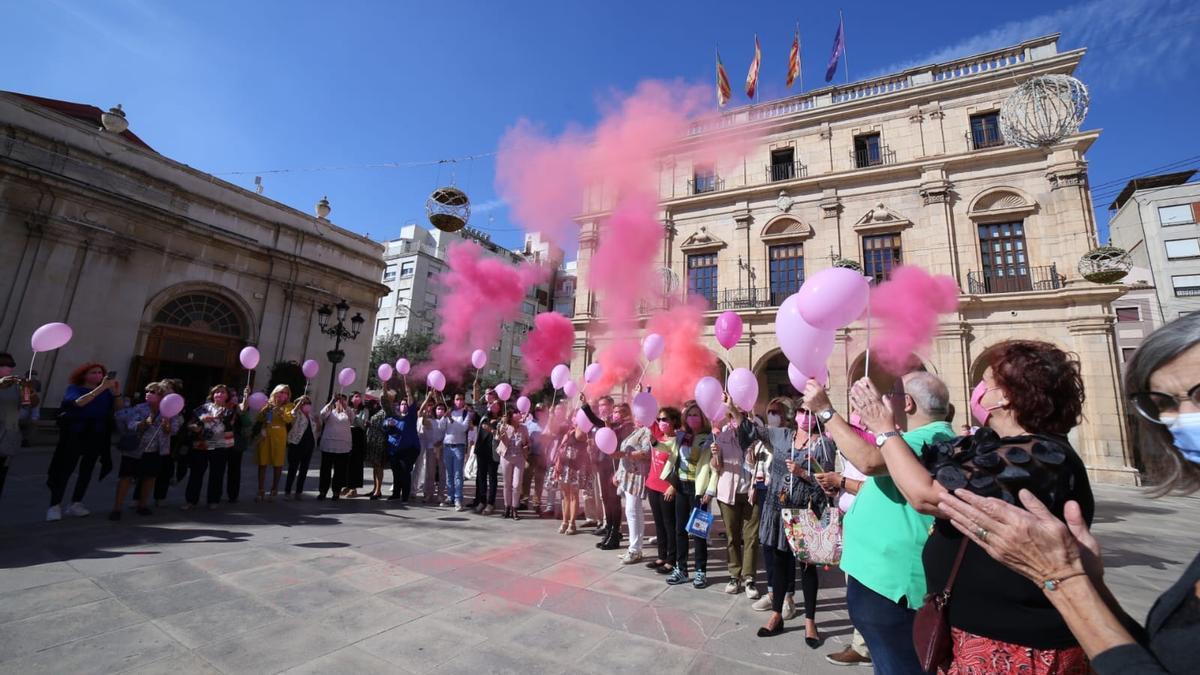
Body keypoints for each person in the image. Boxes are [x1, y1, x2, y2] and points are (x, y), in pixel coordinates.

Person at [935, 314, 1200, 674]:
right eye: (1163, 402)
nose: (1181, 418)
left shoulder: (1041, 452)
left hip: (1017, 650)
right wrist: (1089, 583)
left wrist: (1063, 579)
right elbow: (1162, 658)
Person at [841, 340, 1096, 673]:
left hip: (1015, 643)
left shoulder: (1037, 455)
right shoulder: (1007, 448)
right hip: (986, 632)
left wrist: (884, 429)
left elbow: (928, 496)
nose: (978, 390)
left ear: (1005, 396)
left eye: (986, 383)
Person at [803, 372, 955, 672]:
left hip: (892, 590)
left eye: (892, 393)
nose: (885, 400)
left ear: (908, 404)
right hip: (885, 586)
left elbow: (869, 460)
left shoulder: (925, 438)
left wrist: (825, 410)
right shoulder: (927, 437)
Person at [744, 396, 833, 646]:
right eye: (802, 410)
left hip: (805, 513)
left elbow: (828, 486)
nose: (805, 415)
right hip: (777, 509)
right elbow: (755, 431)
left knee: (806, 569)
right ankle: (776, 615)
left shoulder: (823, 446)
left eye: (810, 411)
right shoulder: (782, 435)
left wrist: (803, 473)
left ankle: (810, 622)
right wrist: (737, 409)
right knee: (780, 564)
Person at [46, 362, 120, 520]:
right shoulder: (74, 388)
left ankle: (76, 503)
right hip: (76, 432)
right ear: (84, 375)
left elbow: (118, 408)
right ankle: (55, 505)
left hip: (96, 433)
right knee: (65, 468)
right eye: (93, 372)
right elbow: (78, 403)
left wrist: (115, 393)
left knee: (87, 470)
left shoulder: (106, 392)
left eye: (100, 373)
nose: (98, 375)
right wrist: (100, 388)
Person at [712, 394, 767, 598]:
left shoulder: (754, 437)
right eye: (732, 417)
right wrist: (715, 456)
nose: (735, 420)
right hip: (728, 494)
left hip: (751, 492)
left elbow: (760, 465)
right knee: (732, 537)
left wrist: (753, 462)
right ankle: (734, 575)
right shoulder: (722, 438)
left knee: (751, 537)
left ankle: (749, 578)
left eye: (739, 416)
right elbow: (716, 468)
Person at [658, 402, 717, 588]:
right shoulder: (681, 436)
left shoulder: (709, 438)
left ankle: (701, 571)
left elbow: (714, 469)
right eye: (689, 415)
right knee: (680, 530)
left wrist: (709, 491)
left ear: (703, 418)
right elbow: (667, 448)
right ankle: (681, 569)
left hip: (698, 490)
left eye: (696, 415)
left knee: (699, 532)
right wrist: (652, 441)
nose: (692, 418)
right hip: (681, 487)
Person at [110, 381, 181, 519]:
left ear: (162, 396)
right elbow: (131, 425)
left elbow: (174, 430)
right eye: (147, 391)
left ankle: (142, 505)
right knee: (126, 477)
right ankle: (117, 508)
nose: (148, 394)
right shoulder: (139, 408)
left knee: (149, 477)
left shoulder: (170, 411)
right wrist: (146, 422)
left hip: (155, 450)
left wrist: (167, 424)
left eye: (153, 392)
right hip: (135, 449)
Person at [582, 394, 632, 550]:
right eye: (615, 411)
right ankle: (609, 530)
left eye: (620, 411)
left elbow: (616, 441)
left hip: (615, 468)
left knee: (614, 502)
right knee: (607, 501)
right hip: (603, 466)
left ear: (626, 414)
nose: (616, 414)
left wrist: (609, 426)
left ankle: (615, 534)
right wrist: (585, 407)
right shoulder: (611, 424)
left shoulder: (626, 427)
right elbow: (596, 422)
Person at [183, 384, 238, 510]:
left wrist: (212, 418)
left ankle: (213, 500)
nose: (219, 394)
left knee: (217, 473)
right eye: (217, 392)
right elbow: (190, 424)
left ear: (227, 396)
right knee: (196, 472)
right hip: (202, 442)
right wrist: (195, 427)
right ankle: (191, 500)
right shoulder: (203, 408)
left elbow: (230, 423)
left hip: (220, 444)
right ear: (212, 395)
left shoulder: (229, 410)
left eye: (223, 392)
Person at [614, 402, 652, 564]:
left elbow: (646, 453)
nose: (636, 418)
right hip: (628, 476)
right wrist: (618, 472)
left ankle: (635, 550)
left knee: (633, 511)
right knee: (632, 512)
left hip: (637, 476)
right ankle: (634, 547)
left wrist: (624, 454)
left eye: (639, 415)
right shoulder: (637, 431)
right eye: (635, 415)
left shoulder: (647, 431)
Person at [645, 406, 680, 576]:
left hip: (667, 488)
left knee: (669, 525)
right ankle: (661, 556)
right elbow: (647, 414)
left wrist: (673, 487)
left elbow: (680, 467)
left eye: (665, 419)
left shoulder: (679, 440)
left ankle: (671, 560)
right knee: (658, 524)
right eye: (659, 419)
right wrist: (641, 395)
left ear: (674, 421)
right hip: (652, 485)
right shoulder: (658, 435)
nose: (661, 423)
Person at [255, 384, 294, 502]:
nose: (283, 395)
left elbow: (289, 419)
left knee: (278, 463)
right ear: (275, 392)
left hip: (279, 435)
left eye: (286, 393)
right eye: (281, 392)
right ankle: (260, 490)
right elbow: (259, 418)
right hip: (265, 434)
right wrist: (267, 409)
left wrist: (280, 412)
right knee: (262, 463)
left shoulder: (289, 405)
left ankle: (274, 489)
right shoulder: (268, 404)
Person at [551, 423, 589, 534]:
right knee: (565, 496)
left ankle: (572, 523)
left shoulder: (583, 429)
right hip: (564, 464)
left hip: (575, 465)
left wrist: (577, 426)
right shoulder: (568, 429)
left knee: (573, 495)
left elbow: (579, 436)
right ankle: (564, 521)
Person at [317, 394, 352, 500]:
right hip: (329, 445)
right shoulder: (330, 413)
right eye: (339, 401)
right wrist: (332, 401)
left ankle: (336, 491)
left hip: (343, 447)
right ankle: (323, 491)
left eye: (343, 401)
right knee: (325, 470)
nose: (341, 402)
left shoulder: (348, 413)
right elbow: (322, 414)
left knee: (340, 470)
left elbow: (352, 417)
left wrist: (345, 406)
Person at [0, 353, 26, 498]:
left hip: (6, 438)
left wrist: (28, 390)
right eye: (3, 365)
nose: (8, 368)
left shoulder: (16, 386)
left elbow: (28, 405)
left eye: (11, 365)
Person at [497, 408, 530, 519]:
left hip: (519, 458)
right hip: (506, 457)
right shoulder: (505, 426)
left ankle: (515, 508)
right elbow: (498, 438)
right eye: (516, 413)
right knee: (507, 483)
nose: (519, 415)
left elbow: (527, 442)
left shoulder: (524, 428)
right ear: (511, 416)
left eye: (519, 413)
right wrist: (500, 432)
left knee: (516, 484)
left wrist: (527, 446)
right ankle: (507, 507)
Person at [283, 394, 317, 499]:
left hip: (309, 445)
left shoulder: (310, 416)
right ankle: (287, 492)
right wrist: (298, 404)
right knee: (293, 469)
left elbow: (314, 430)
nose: (308, 405)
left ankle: (299, 492)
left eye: (309, 403)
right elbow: (292, 414)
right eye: (305, 403)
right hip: (296, 444)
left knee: (304, 469)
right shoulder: (296, 413)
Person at [471, 401, 502, 514]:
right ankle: (482, 501)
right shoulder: (484, 415)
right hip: (481, 450)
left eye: (496, 404)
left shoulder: (502, 419)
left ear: (500, 407)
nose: (493, 405)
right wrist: (475, 387)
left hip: (493, 452)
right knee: (481, 477)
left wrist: (491, 430)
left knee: (492, 478)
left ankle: (490, 503)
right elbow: (476, 404)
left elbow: (502, 435)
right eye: (491, 404)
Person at [442, 391, 472, 511]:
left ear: (464, 400)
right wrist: (445, 417)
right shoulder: (450, 412)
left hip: (459, 446)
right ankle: (450, 497)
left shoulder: (466, 414)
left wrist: (452, 420)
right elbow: (441, 427)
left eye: (461, 399)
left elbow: (463, 428)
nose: (459, 401)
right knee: (449, 474)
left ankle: (458, 498)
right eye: (457, 399)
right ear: (454, 401)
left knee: (458, 474)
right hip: (447, 446)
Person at [364, 392, 391, 500]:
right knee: (375, 466)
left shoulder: (387, 411)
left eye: (382, 398)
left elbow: (385, 426)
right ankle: (375, 488)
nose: (380, 399)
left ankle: (378, 490)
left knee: (379, 466)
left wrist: (372, 425)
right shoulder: (379, 410)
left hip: (380, 441)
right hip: (373, 440)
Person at [421, 400, 448, 504]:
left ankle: (441, 495)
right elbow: (424, 422)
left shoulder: (447, 421)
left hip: (443, 448)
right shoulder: (431, 421)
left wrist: (441, 443)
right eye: (438, 408)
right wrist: (423, 415)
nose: (440, 410)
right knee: (430, 472)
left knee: (442, 473)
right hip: (431, 448)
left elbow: (449, 433)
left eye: (442, 409)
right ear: (435, 410)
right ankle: (429, 494)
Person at [343, 391, 369, 498]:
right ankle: (347, 485)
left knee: (356, 462)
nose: (358, 398)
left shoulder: (364, 410)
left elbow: (362, 424)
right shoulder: (347, 409)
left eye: (359, 397)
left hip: (358, 437)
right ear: (351, 398)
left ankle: (354, 488)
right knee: (346, 461)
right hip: (347, 436)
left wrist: (353, 415)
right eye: (356, 396)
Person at [522, 404, 546, 512]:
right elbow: (523, 438)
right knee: (526, 478)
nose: (539, 412)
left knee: (539, 480)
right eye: (537, 410)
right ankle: (524, 501)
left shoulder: (547, 423)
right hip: (530, 455)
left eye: (541, 410)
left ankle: (537, 503)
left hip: (542, 455)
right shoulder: (528, 423)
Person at [17, 368, 41, 448]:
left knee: (33, 422)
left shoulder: (34, 395)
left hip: (26, 413)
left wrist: (34, 418)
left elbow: (35, 408)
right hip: (17, 412)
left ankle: (25, 440)